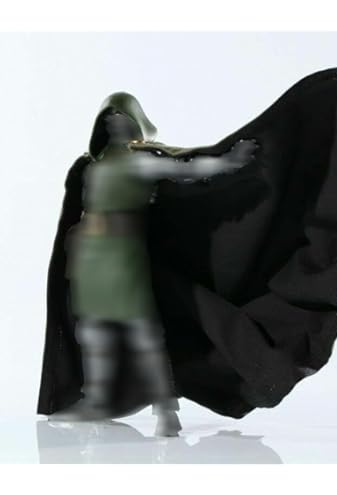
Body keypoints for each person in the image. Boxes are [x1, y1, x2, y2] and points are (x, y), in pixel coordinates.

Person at [49, 91, 259, 436]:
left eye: (121, 117)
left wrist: (228, 162)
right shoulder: (92, 165)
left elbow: (186, 167)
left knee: (141, 331)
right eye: (108, 118)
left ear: (136, 122)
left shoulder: (142, 161)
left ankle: (166, 410)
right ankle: (97, 400)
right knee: (92, 329)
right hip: (89, 254)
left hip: (123, 253)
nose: (114, 123)